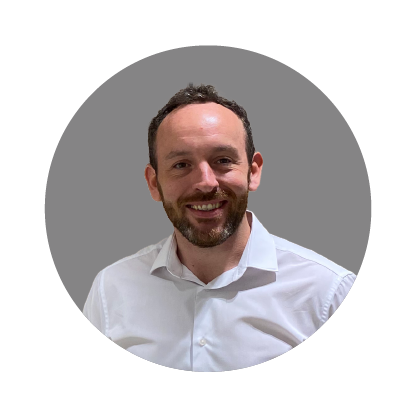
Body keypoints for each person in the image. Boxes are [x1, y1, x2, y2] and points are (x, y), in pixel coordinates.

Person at [83, 83, 359, 371]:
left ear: (253, 171)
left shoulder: (328, 293)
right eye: (181, 164)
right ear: (154, 183)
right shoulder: (111, 289)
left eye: (223, 161)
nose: (205, 182)